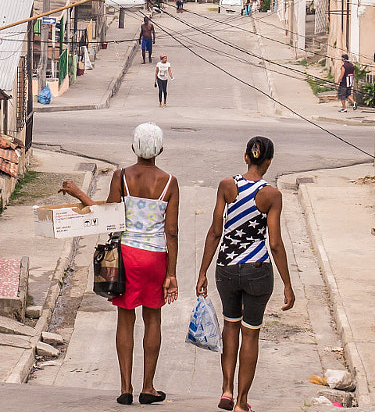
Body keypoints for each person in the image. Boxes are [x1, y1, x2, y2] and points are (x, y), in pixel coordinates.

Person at [63, 124, 180, 406]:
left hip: (126, 255)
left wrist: (81, 194)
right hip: (155, 257)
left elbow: (108, 216)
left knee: (125, 319)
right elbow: (172, 231)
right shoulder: (170, 182)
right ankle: (148, 387)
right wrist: (171, 274)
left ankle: (125, 387)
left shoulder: (122, 176)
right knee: (153, 319)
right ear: (160, 150)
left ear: (133, 148)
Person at [196, 136, 294, 412]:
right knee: (250, 334)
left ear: (245, 156)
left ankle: (226, 390)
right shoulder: (271, 195)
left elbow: (216, 231)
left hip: (226, 268)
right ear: (270, 161)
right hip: (257, 270)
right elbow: (274, 243)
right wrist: (287, 283)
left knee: (230, 326)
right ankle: (241, 402)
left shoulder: (227, 186)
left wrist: (202, 271)